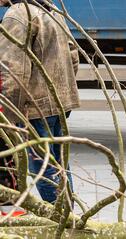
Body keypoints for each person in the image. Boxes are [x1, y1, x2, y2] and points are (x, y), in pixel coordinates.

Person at [0, 0, 79, 204]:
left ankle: (59, 222)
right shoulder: (51, 9)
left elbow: (13, 71)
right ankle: (70, 218)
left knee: (45, 172)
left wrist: (8, 116)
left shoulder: (17, 15)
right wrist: (62, 93)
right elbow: (73, 56)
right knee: (60, 166)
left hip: (34, 108)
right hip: (57, 104)